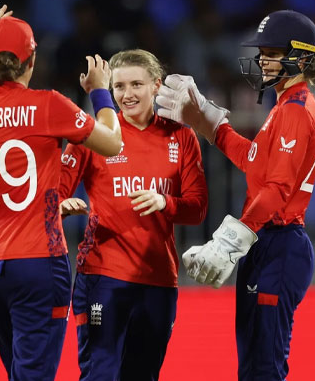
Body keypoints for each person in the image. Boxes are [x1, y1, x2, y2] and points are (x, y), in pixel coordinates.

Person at [0, 6, 122, 381]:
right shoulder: (48, 104)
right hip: (36, 261)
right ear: (32, 60)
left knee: (19, 371)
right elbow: (111, 143)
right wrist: (101, 91)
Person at [156, 10, 315, 380]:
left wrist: (228, 241)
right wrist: (209, 122)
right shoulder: (285, 105)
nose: (262, 60)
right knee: (254, 368)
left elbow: (278, 190)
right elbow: (254, 161)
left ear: (300, 57)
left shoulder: (297, 110)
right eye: (262, 52)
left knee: (263, 369)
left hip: (278, 244)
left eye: (271, 51)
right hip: (268, 242)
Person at [59, 49, 208, 380]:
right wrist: (61, 204)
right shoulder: (91, 134)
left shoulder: (181, 137)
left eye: (136, 84)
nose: (127, 95)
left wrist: (165, 202)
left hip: (158, 279)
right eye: (119, 86)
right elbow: (54, 192)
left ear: (156, 85)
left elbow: (198, 208)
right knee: (100, 373)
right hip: (102, 275)